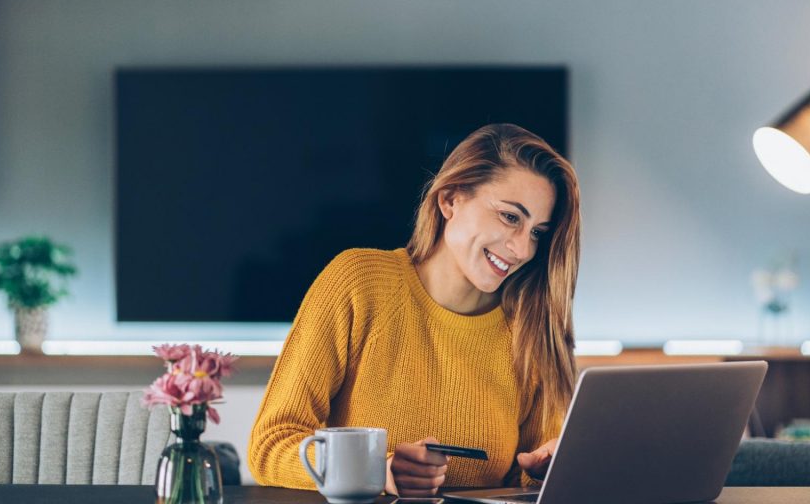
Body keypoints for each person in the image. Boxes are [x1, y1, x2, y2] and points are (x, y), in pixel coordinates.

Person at [249, 123, 581, 495]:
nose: (522, 249)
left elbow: (524, 484)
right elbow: (270, 445)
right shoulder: (359, 283)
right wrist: (378, 471)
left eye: (537, 232)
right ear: (450, 200)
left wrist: (543, 471)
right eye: (509, 217)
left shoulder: (531, 327)